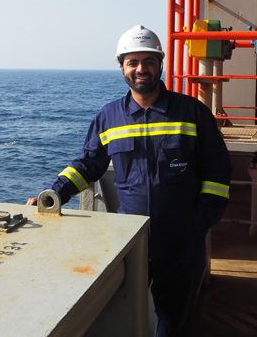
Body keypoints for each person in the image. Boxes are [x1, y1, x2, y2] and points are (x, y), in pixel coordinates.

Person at [27, 25, 231, 337]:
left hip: (181, 239)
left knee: (175, 320)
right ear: (122, 67)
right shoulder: (109, 116)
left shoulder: (192, 112)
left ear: (160, 64)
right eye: (132, 62)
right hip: (129, 239)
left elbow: (217, 172)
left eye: (148, 61)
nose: (141, 69)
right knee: (121, 313)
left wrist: (201, 221)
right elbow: (87, 165)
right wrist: (53, 193)